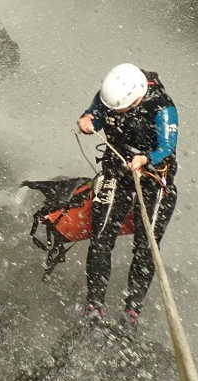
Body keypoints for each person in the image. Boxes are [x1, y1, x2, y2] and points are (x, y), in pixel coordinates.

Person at [77, 63, 179, 328]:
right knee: (101, 237)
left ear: (135, 100)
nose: (114, 112)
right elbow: (96, 114)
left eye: (119, 109)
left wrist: (146, 158)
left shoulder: (162, 107)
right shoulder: (109, 96)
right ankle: (94, 304)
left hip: (154, 178)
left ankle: (132, 309)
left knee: (147, 247)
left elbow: (167, 146)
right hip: (117, 169)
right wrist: (87, 120)